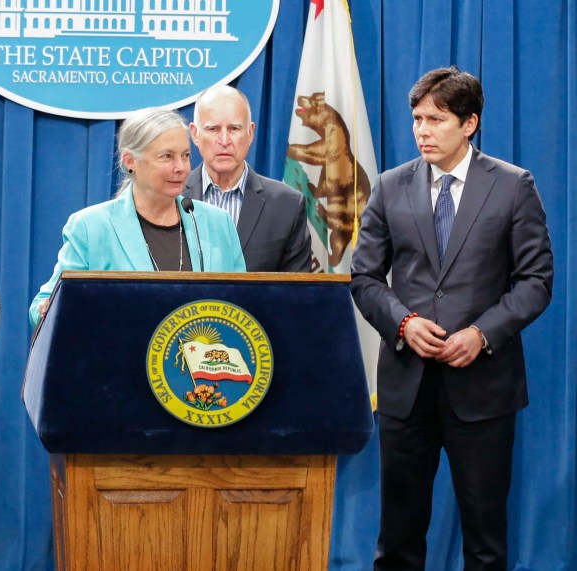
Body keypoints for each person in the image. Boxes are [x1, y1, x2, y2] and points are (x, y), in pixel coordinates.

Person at [351, 67, 553, 570]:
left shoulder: (512, 186)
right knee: (397, 539)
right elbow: (365, 278)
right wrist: (402, 324)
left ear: (469, 124)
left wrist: (483, 334)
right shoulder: (389, 186)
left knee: (485, 539)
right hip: (406, 387)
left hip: (482, 387)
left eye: (436, 119)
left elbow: (535, 282)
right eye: (417, 118)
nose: (422, 130)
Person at [29, 108, 245, 326]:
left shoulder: (218, 224)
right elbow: (42, 305)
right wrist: (49, 309)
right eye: (167, 157)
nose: (180, 167)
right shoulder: (91, 227)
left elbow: (244, 304)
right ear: (130, 160)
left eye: (185, 156)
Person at [183, 85, 312, 272]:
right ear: (195, 134)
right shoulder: (172, 198)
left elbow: (297, 294)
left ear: (250, 133)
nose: (224, 140)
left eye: (234, 128)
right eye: (213, 129)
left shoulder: (287, 205)